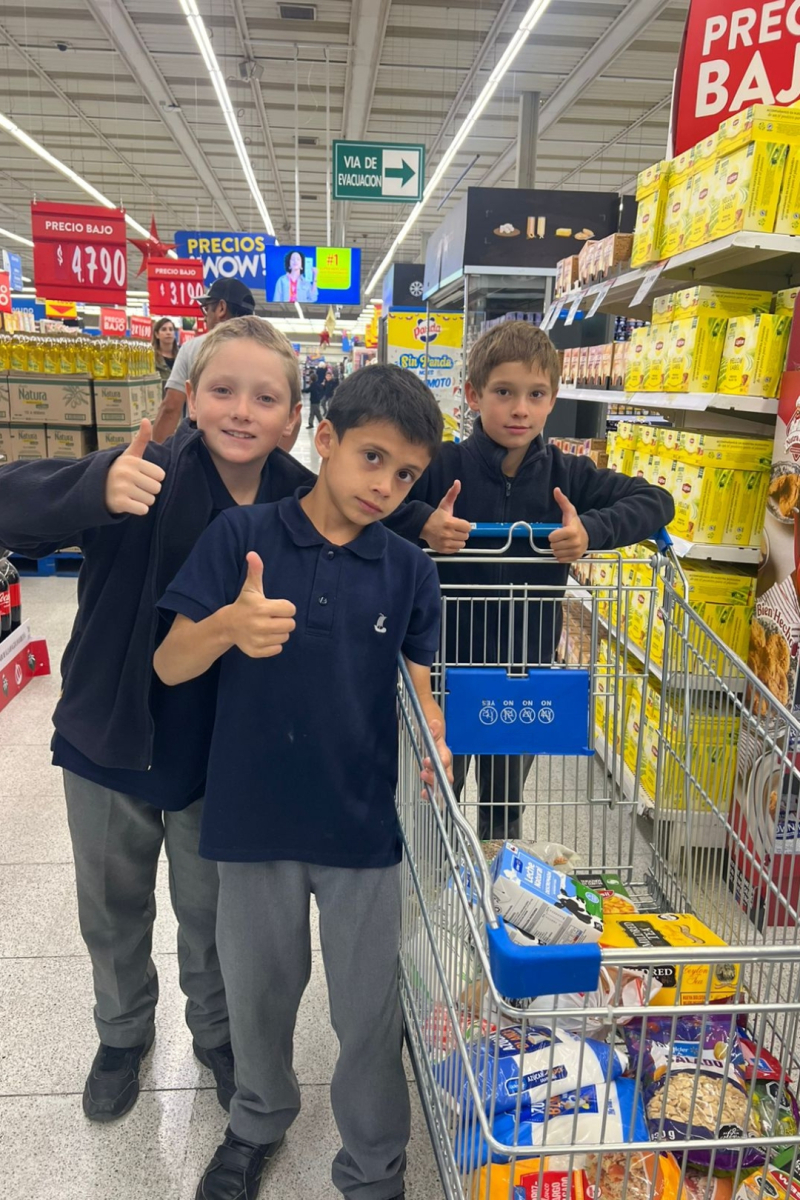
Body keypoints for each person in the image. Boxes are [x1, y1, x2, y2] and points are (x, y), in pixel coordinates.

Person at [0, 316, 312, 1125]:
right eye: (223, 390)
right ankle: (121, 1033)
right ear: (191, 398)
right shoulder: (143, 472)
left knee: (213, 913)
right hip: (113, 732)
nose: (241, 410)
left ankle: (217, 1033)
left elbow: (381, 521)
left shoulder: (302, 503)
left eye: (265, 397)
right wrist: (93, 488)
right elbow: (12, 506)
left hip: (223, 749)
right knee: (112, 904)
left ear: (293, 418)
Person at [153, 365, 452, 1200]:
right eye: (371, 458)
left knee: (369, 1012)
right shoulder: (242, 538)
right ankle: (255, 1122)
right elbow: (170, 665)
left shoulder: (409, 569)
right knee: (258, 995)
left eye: (405, 474)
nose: (385, 486)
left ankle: (375, 1165)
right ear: (324, 440)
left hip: (363, 825)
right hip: (252, 818)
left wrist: (433, 725)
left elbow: (420, 685)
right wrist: (227, 624)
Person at [406, 320, 675, 840]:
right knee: (438, 791)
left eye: (535, 394)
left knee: (506, 798)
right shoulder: (442, 465)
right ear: (473, 395)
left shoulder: (567, 475)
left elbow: (656, 501)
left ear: (552, 400)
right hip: (444, 669)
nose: (520, 409)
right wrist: (423, 522)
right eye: (503, 392)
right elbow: (373, 504)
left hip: (524, 671)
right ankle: (440, 873)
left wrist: (590, 531)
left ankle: (499, 869)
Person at [152, 279, 256, 443]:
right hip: (249, 447)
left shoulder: (193, 349)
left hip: (199, 450)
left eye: (207, 309)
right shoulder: (268, 352)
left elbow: (171, 407)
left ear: (221, 308)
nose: (205, 317)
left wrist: (157, 453)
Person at [153, 317, 178, 385]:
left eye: (171, 329)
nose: (168, 332)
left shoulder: (182, 356)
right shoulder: (152, 358)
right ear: (157, 334)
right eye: (164, 329)